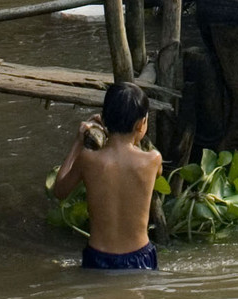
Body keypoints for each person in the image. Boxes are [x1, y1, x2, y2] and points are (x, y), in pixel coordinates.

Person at [52, 81, 164, 272]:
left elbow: (59, 190)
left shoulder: (88, 159)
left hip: (98, 256)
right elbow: (146, 164)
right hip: (140, 256)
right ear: (140, 124)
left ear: (104, 119)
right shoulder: (153, 160)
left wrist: (78, 143)